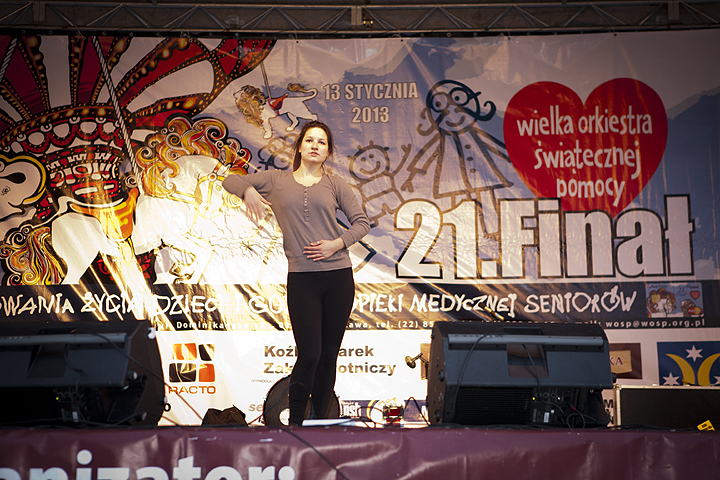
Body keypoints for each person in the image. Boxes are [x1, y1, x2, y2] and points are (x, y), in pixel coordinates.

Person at [222, 121, 371, 426]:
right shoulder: (276, 181)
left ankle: (319, 421)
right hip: (303, 279)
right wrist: (248, 190)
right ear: (300, 147)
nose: (315, 145)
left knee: (328, 355)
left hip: (338, 277)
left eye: (322, 142)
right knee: (310, 353)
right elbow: (229, 180)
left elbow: (362, 223)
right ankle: (296, 422)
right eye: (310, 140)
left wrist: (336, 244)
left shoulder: (336, 185)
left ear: (328, 152)